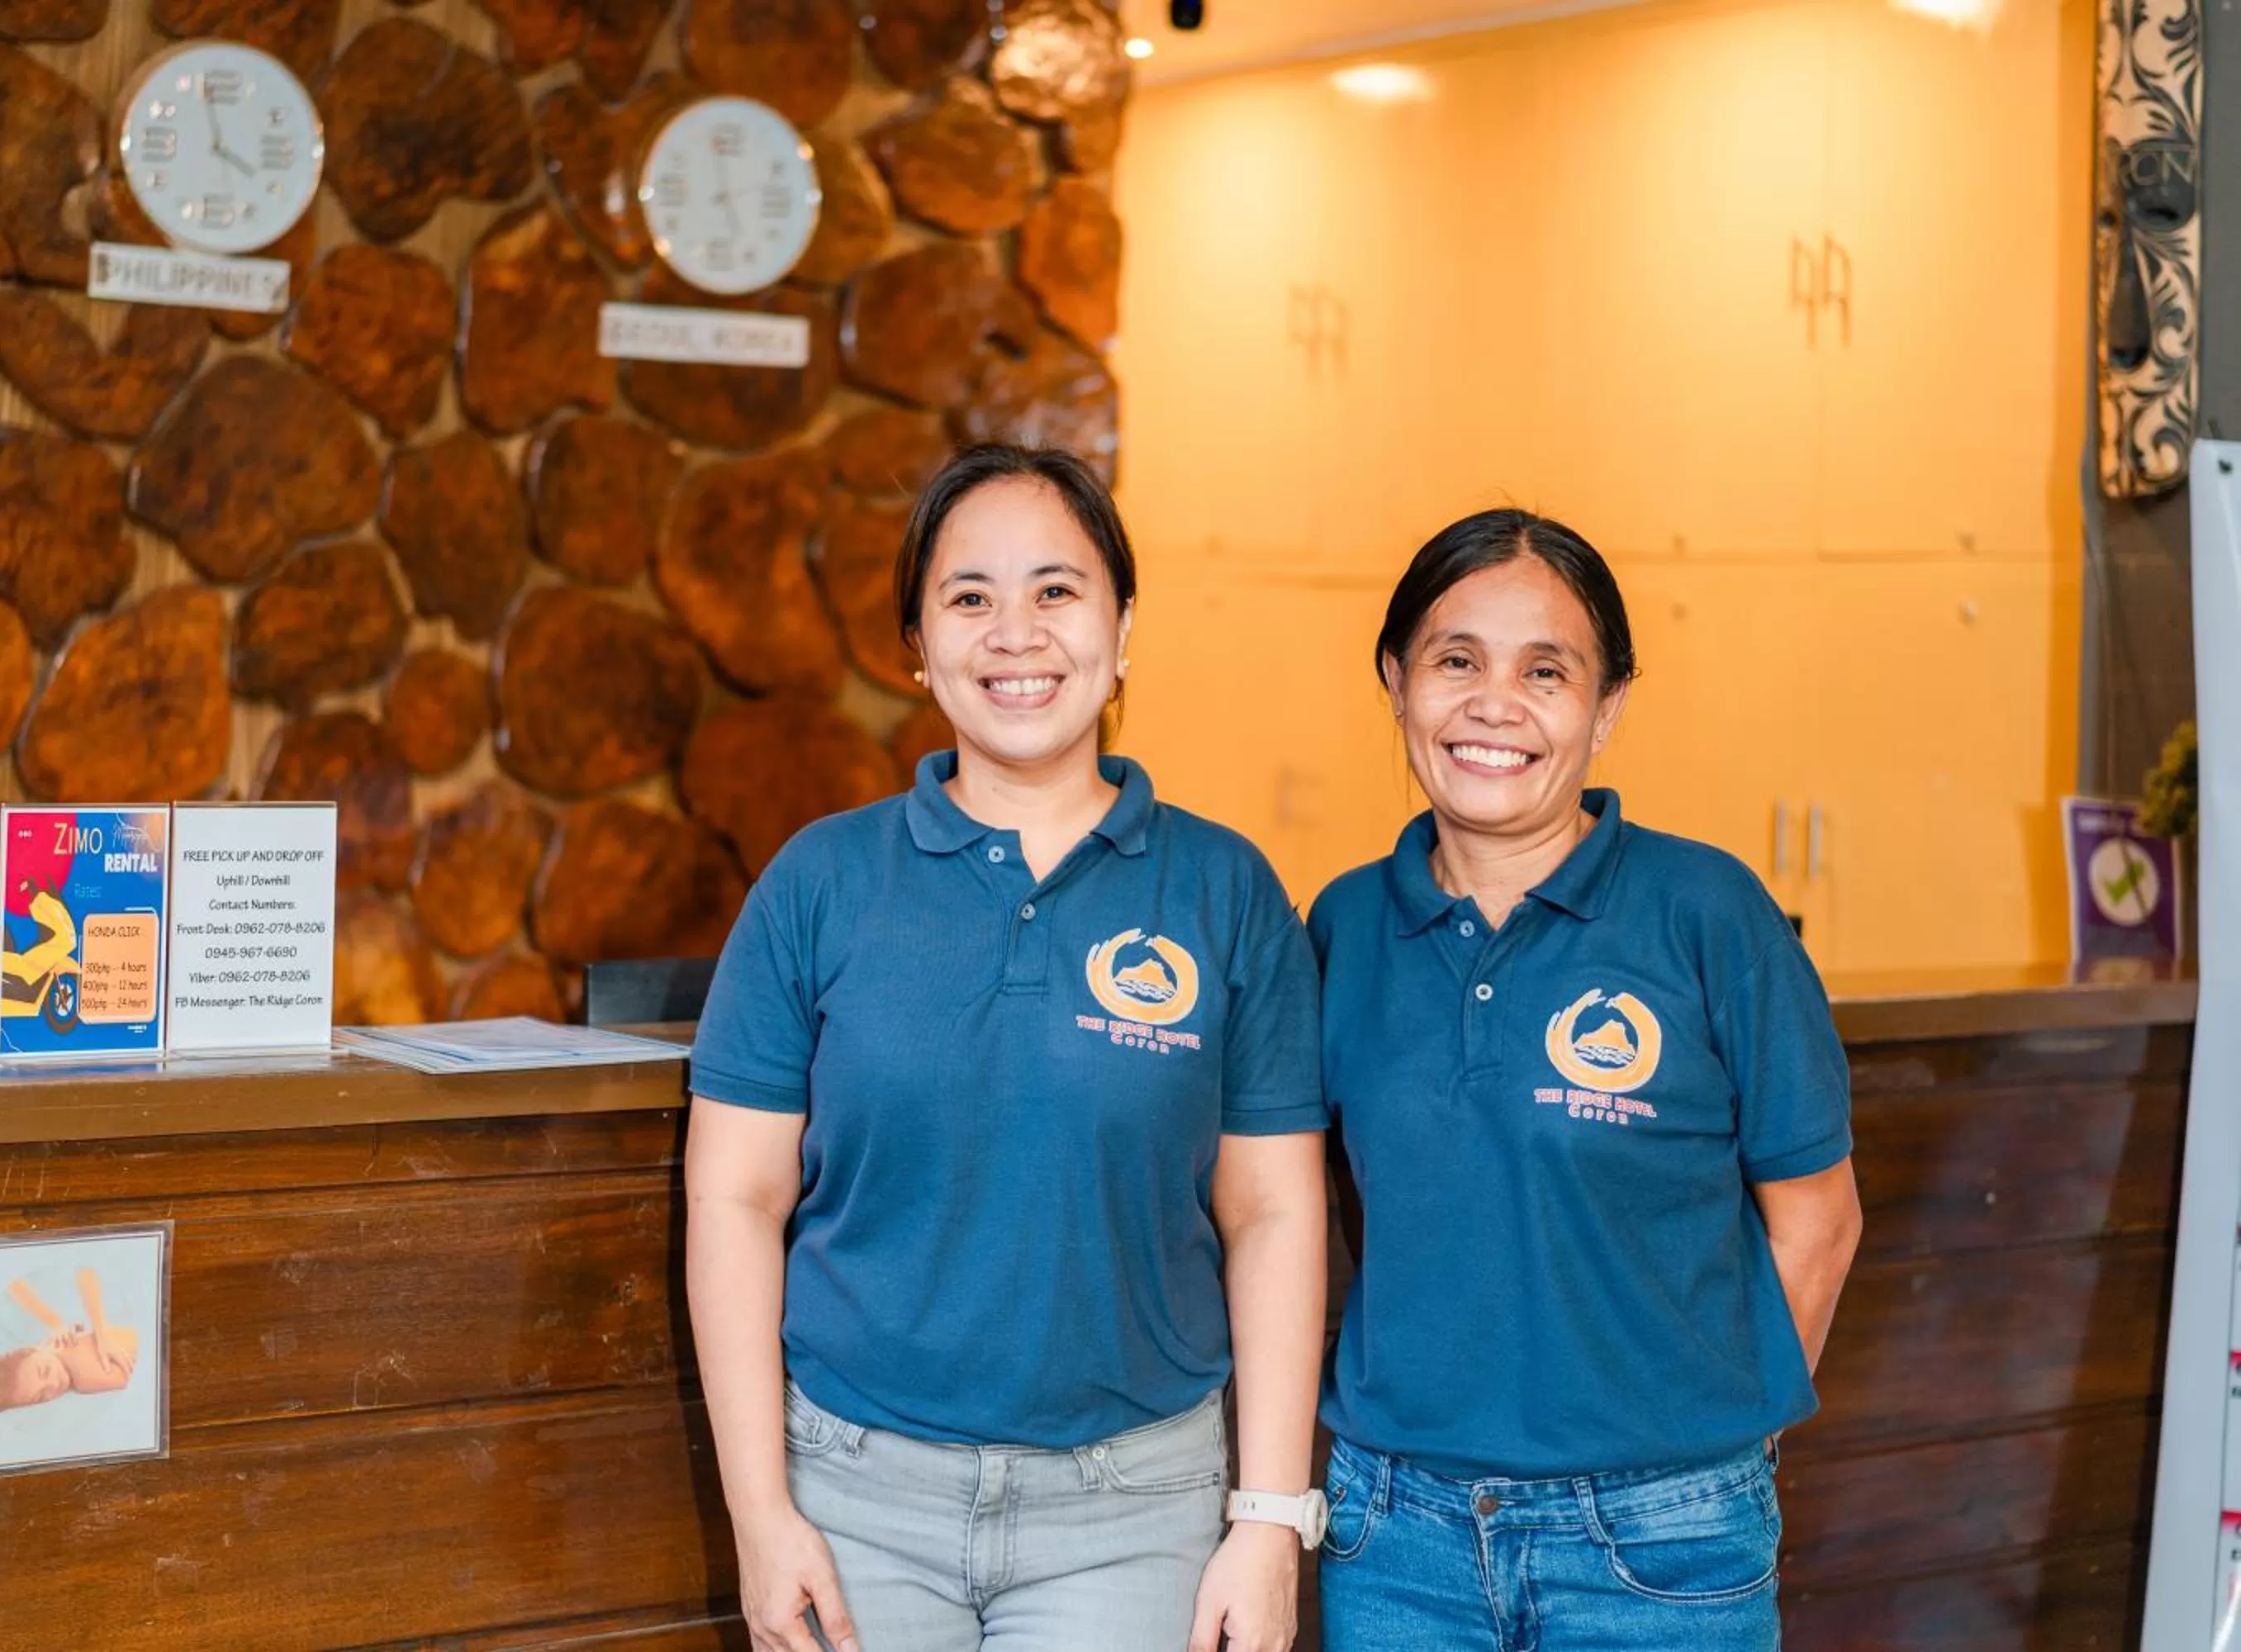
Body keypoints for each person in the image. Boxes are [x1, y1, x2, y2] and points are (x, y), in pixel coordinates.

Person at [686, 444, 1332, 1652]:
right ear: (919, 647)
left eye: (1057, 590)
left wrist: (1269, 1520)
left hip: (1134, 1510)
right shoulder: (818, 882)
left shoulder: (1225, 890)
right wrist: (760, 1512)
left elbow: (1273, 1213)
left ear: (1122, 630)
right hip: (854, 1498)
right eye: (970, 597)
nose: (1015, 633)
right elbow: (735, 1197)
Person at [1309, 508, 1865, 1650]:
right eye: (1456, 661)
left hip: (1662, 1540)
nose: (1494, 704)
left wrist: (1710, 1454)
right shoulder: (1344, 924)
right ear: (1396, 682)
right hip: (1395, 1537)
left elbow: (1819, 1221)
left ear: (1606, 708)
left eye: (1545, 672)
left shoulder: (1707, 913)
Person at [0, 1268, 140, 1411]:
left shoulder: (84, 1377)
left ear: (38, 1346)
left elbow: (85, 1269)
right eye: (41, 1396)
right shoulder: (60, 1350)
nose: (54, 1384)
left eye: (45, 1371)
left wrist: (101, 1334)